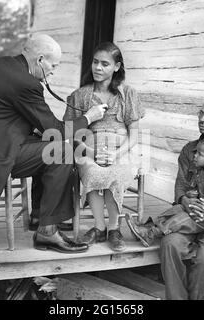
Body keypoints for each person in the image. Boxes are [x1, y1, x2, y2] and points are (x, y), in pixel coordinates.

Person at [0, 33, 109, 254]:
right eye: (53, 65)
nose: (53, 71)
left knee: (47, 143)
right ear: (40, 59)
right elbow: (56, 129)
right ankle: (47, 230)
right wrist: (89, 117)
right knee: (61, 151)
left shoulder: (2, 64)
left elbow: (16, 116)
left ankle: (41, 217)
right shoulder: (25, 83)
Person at [125, 95, 204, 299]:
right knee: (169, 245)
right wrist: (186, 201)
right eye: (200, 113)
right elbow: (180, 188)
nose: (201, 119)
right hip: (191, 213)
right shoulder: (190, 151)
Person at [63, 42, 145, 252]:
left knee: (117, 173)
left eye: (105, 64)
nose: (98, 68)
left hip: (122, 148)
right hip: (88, 147)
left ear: (117, 67)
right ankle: (99, 228)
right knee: (91, 173)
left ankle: (113, 228)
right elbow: (70, 131)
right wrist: (91, 152)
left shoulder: (128, 94)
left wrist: (117, 153)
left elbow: (134, 133)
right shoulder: (80, 95)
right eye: (95, 62)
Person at [131, 138, 204, 244]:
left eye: (200, 154)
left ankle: (150, 234)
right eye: (196, 152)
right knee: (176, 209)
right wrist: (193, 194)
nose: (195, 156)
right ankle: (148, 226)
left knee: (181, 219)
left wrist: (203, 204)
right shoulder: (203, 170)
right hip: (199, 209)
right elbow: (203, 190)